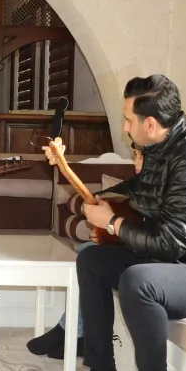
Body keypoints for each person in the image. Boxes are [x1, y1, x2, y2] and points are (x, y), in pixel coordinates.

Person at [48, 75, 186, 371]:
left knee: (139, 280)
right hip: (178, 263)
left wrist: (112, 223)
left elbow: (171, 242)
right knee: (91, 260)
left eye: (128, 120)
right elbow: (139, 189)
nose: (125, 128)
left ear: (150, 124)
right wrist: (88, 190)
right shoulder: (162, 144)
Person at [27, 145, 144, 360]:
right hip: (135, 249)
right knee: (88, 249)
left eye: (142, 157)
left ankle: (68, 331)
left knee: (90, 255)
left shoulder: (167, 185)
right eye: (135, 156)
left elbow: (150, 236)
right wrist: (104, 230)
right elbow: (117, 209)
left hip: (152, 258)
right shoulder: (140, 182)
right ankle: (78, 335)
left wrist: (111, 230)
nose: (136, 163)